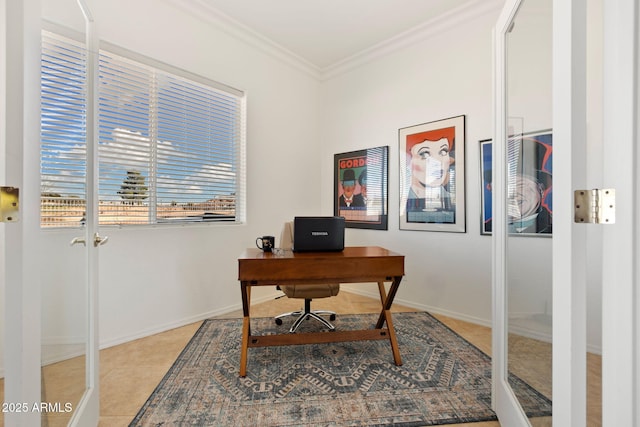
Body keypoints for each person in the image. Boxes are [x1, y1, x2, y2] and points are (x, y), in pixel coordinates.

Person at [405, 127, 455, 222]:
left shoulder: (451, 199)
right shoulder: (402, 201)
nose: (437, 162)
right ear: (409, 163)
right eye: (425, 154)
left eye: (443, 151)